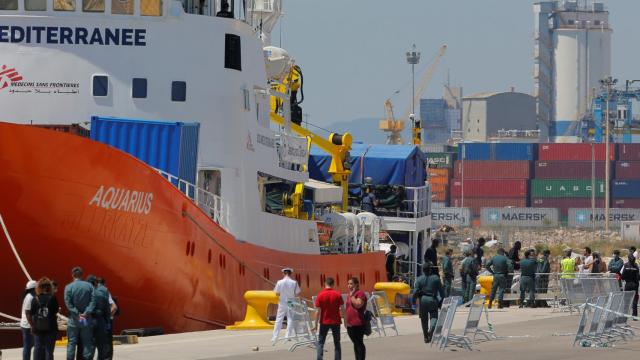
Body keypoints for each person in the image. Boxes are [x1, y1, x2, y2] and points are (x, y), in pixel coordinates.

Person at [64, 266, 96, 360]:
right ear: (82, 275)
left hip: (74, 319)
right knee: (87, 342)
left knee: (72, 343)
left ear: (72, 275)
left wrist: (77, 314)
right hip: (86, 319)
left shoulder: (68, 287)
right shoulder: (89, 286)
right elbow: (93, 301)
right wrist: (86, 313)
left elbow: (68, 303)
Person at [412, 262, 445, 343]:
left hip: (422, 300)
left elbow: (415, 292)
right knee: (434, 317)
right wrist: (441, 301)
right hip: (432, 300)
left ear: (423, 270)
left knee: (424, 319)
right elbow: (442, 292)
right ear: (430, 269)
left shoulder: (419, 279)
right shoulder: (436, 278)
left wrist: (413, 302)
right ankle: (431, 331)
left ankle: (426, 337)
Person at [27, 277, 59, 360]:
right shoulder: (53, 298)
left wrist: (32, 326)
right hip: (51, 328)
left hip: (38, 328)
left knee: (37, 349)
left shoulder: (35, 299)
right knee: (49, 351)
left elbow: (31, 313)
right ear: (49, 287)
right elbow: (55, 311)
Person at [315, 277, 343, 360]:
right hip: (336, 321)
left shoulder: (320, 295)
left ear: (325, 284)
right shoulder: (337, 294)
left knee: (321, 342)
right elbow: (342, 308)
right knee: (337, 343)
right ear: (333, 284)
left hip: (324, 321)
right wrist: (345, 322)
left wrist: (315, 324)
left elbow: (317, 311)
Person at [271, 267, 301, 343]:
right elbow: (297, 292)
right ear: (290, 273)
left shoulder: (279, 282)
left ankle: (275, 337)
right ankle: (287, 336)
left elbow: (277, 293)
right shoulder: (294, 282)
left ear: (284, 273)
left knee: (279, 320)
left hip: (282, 302)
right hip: (291, 301)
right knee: (290, 319)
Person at [86, 275, 111, 360]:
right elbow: (107, 310)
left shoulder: (85, 296)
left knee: (90, 346)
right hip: (100, 321)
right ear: (96, 283)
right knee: (101, 346)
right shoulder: (102, 294)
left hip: (88, 321)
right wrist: (108, 322)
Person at [345, 277, 367, 360]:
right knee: (355, 343)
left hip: (358, 323)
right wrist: (345, 321)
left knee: (359, 343)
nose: (349, 286)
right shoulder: (350, 294)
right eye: (348, 284)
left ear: (357, 284)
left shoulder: (360, 293)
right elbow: (347, 308)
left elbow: (358, 304)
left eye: (351, 284)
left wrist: (352, 296)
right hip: (350, 324)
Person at [20, 280, 37, 360]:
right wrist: (32, 326)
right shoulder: (30, 297)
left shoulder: (28, 296)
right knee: (29, 346)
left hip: (25, 324)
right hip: (28, 325)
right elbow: (28, 313)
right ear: (34, 288)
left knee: (28, 346)